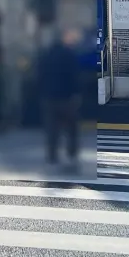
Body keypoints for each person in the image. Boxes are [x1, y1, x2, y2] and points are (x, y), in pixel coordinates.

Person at [38, 25, 82, 170]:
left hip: (49, 97)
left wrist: (42, 92)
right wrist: (76, 94)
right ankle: (72, 153)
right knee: (71, 128)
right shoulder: (69, 54)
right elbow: (74, 76)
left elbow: (39, 76)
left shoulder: (45, 56)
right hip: (66, 97)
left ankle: (52, 156)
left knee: (52, 128)